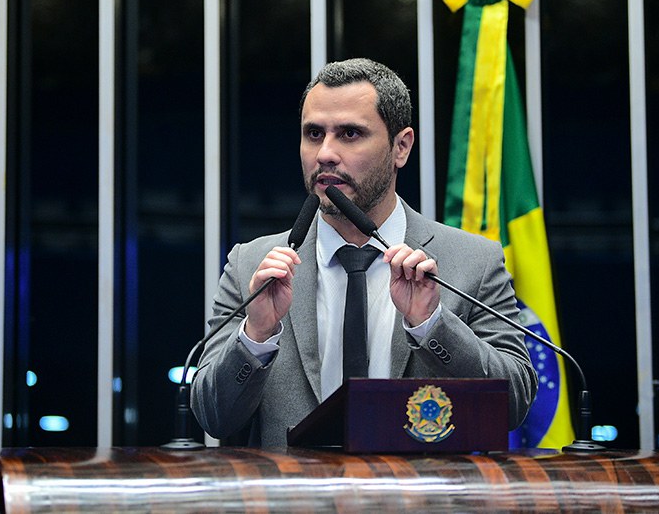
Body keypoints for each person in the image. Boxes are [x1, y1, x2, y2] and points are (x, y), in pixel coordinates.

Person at [191, 58, 536, 447]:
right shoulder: (252, 266)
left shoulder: (472, 261)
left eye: (350, 134)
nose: (325, 154)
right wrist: (256, 335)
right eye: (314, 134)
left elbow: (514, 405)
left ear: (400, 147)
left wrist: (431, 325)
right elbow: (212, 416)